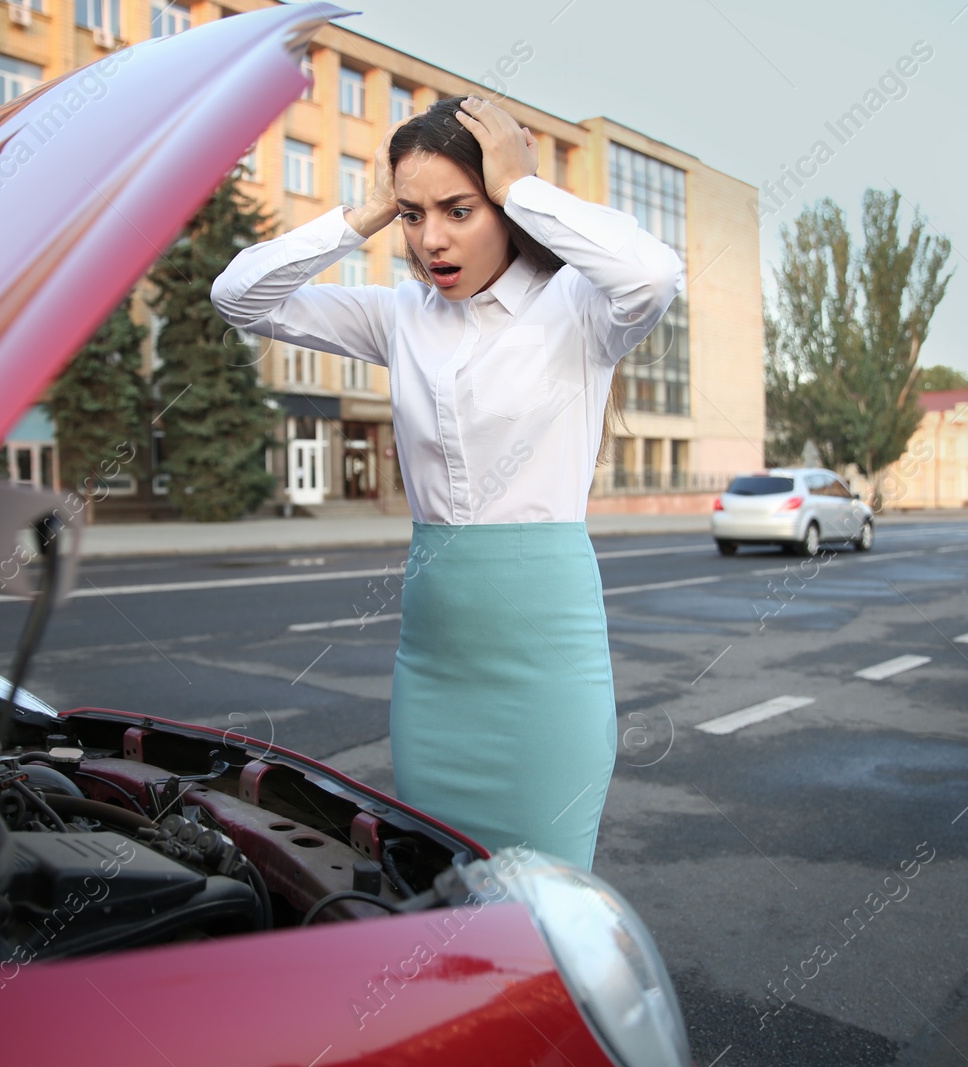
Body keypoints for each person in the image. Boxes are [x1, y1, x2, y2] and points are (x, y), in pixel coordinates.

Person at [211, 94, 683, 870]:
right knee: (439, 897)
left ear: (499, 203)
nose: (432, 239)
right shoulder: (400, 315)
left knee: (541, 906)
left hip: (546, 669)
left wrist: (524, 185)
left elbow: (655, 272)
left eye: (459, 209)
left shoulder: (580, 310)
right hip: (434, 668)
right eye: (414, 213)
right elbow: (239, 297)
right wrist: (361, 213)